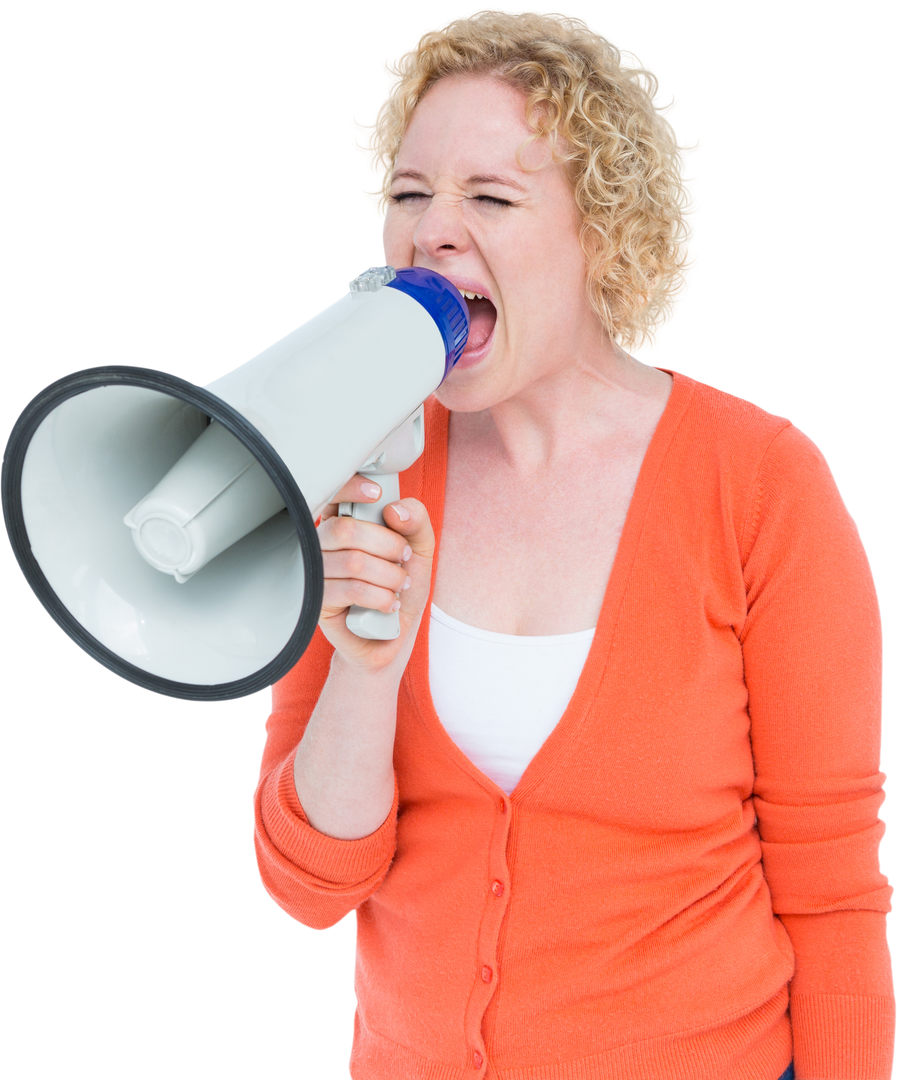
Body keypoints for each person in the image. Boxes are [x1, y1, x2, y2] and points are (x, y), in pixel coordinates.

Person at [250, 8, 893, 1079]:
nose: (433, 232)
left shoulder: (762, 481)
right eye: (410, 195)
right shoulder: (358, 468)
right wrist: (364, 674)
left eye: (491, 198)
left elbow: (833, 901)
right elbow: (311, 891)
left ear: (603, 231)